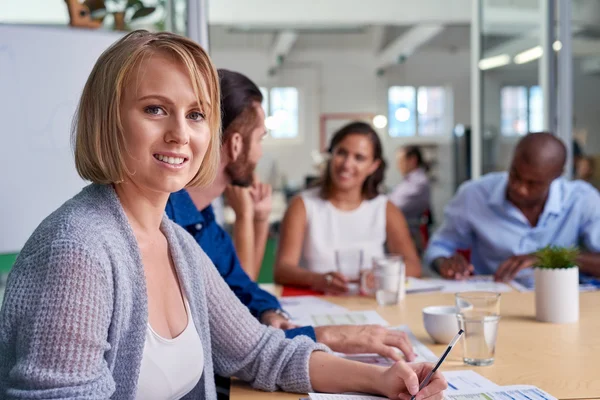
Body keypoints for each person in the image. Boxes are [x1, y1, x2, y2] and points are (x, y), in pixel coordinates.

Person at [0, 31, 447, 399]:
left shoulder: (174, 241)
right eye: (155, 109)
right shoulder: (78, 250)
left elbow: (259, 352)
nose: (180, 134)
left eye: (195, 114)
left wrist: (383, 379)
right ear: (109, 120)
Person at [166, 69, 419, 362]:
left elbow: (243, 290)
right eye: (260, 139)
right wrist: (331, 336)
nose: (260, 153)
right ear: (236, 145)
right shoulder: (167, 224)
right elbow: (228, 340)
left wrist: (271, 312)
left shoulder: (204, 220)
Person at [424, 132, 600, 282]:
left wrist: (549, 257)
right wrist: (444, 263)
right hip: (497, 302)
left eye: (534, 183)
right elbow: (437, 247)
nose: (520, 189)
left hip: (563, 304)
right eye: (515, 174)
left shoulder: (581, 199)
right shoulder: (474, 194)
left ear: (557, 175)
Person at [275, 122, 421, 295]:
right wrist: (319, 280)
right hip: (317, 305)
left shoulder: (385, 208)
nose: (347, 164)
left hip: (371, 307)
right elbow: (282, 270)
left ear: (373, 166)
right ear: (331, 155)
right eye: (341, 153)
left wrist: (380, 275)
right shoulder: (302, 205)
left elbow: (414, 267)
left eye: (359, 158)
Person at [388, 145, 431, 252]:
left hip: (409, 237)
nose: (398, 166)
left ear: (412, 160)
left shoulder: (419, 182)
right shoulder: (408, 181)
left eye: (400, 161)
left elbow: (394, 206)